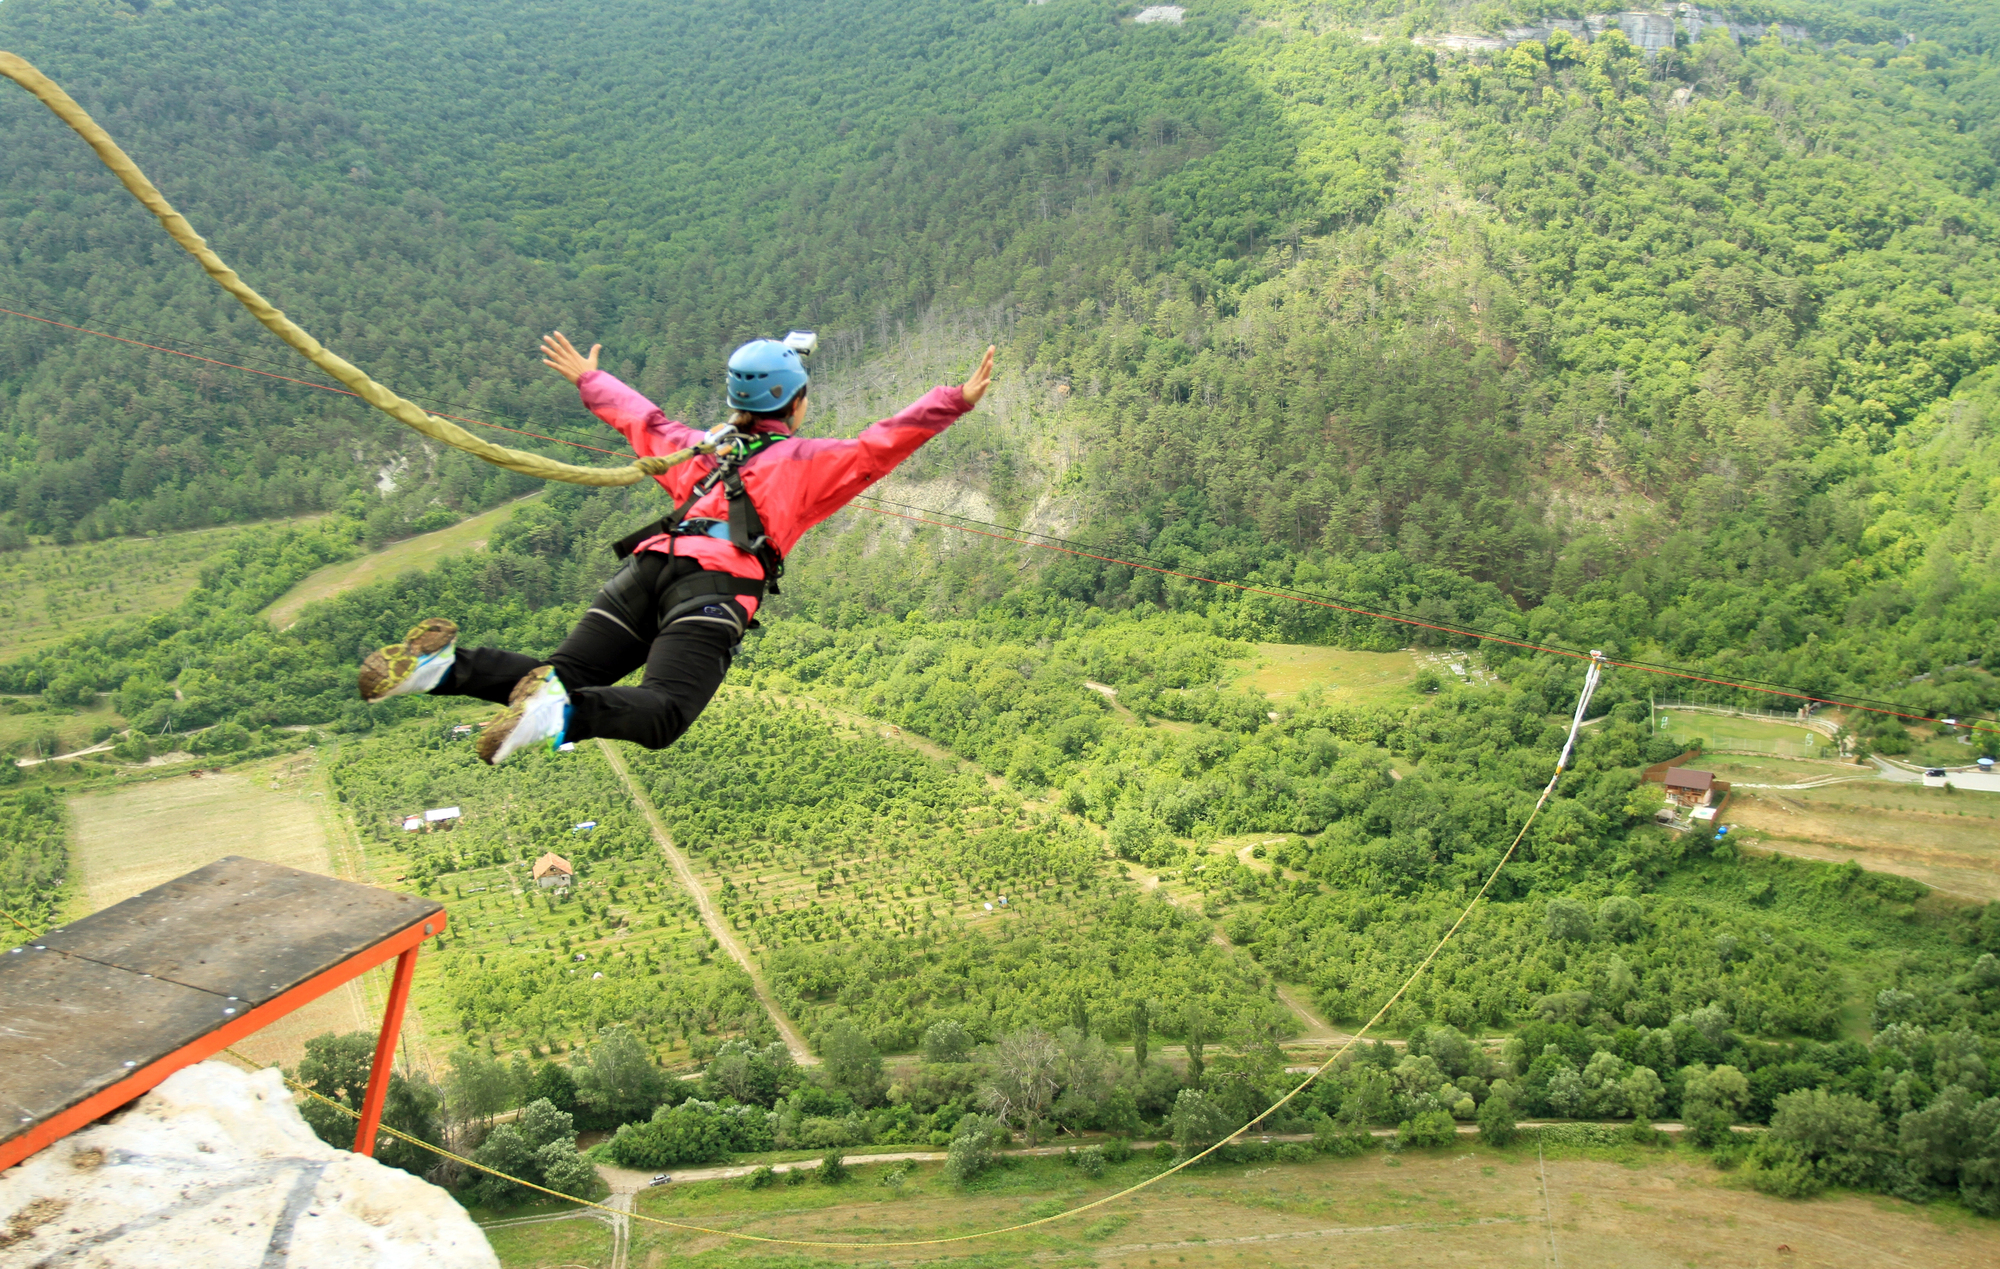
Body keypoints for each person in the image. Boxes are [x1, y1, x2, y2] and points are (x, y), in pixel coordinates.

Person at [356, 330, 995, 764]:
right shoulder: (807, 461)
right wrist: (955, 401)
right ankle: (557, 715)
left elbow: (644, 421)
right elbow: (879, 444)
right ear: (796, 404)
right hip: (711, 590)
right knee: (661, 715)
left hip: (643, 573)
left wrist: (592, 379)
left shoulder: (700, 449)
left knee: (562, 675)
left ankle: (439, 668)